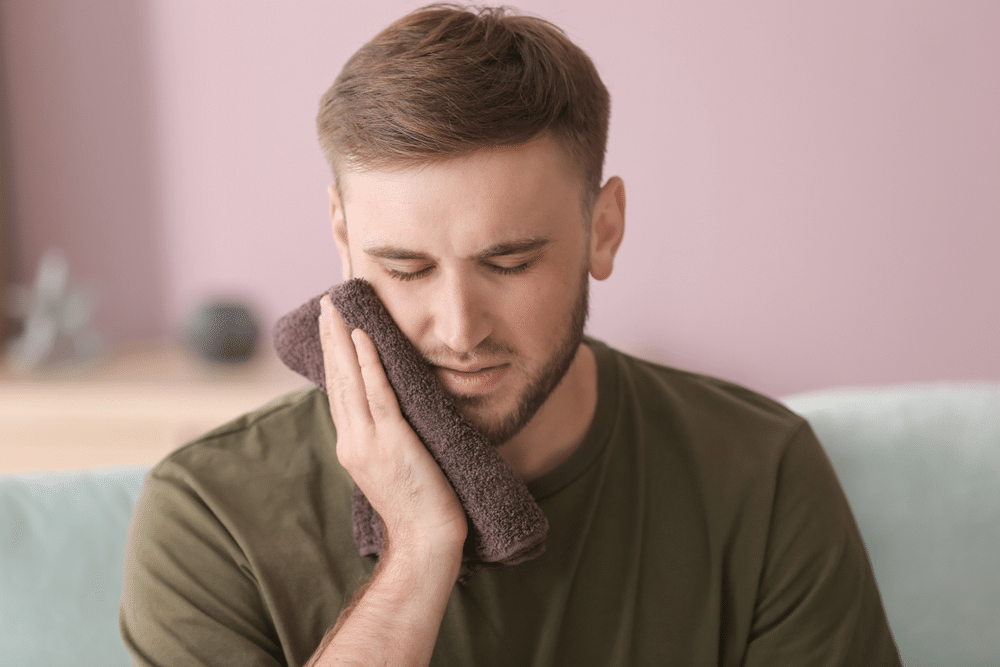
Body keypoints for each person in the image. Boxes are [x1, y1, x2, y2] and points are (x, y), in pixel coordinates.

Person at [119, 4, 902, 666]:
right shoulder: (209, 515)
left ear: (605, 228)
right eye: (407, 268)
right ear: (342, 235)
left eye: (510, 261)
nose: (459, 330)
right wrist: (419, 554)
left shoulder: (759, 474)